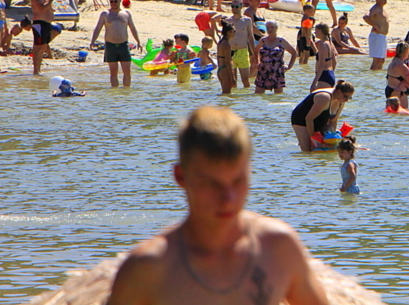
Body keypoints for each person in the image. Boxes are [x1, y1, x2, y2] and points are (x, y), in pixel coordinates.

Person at [107, 106, 329, 305]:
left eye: (238, 181)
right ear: (180, 176)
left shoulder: (278, 248)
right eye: (212, 184)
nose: (228, 199)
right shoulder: (149, 267)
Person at [90, 0, 142, 87]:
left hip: (123, 45)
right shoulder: (105, 14)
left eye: (115, 1)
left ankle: (126, 92)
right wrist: (93, 41)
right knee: (113, 72)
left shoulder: (126, 13)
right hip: (110, 46)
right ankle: (114, 92)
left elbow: (132, 28)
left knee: (127, 71)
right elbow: (98, 28)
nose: (113, 3)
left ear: (120, 1)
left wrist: (138, 41)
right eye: (111, 1)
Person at [290, 80, 355, 152]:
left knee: (327, 148)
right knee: (308, 150)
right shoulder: (325, 98)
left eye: (349, 98)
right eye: (346, 97)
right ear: (339, 91)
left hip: (319, 118)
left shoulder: (341, 101)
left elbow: (333, 120)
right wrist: (313, 139)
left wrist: (332, 138)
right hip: (301, 118)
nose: (346, 100)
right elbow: (309, 119)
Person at [254, 21, 295, 95]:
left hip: (277, 71)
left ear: (276, 28)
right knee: (258, 94)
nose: (270, 29)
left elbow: (294, 53)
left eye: (272, 27)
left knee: (278, 96)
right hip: (263, 70)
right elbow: (256, 50)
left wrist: (289, 66)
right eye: (268, 27)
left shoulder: (281, 41)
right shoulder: (263, 40)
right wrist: (257, 62)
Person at [227, 1, 256, 89]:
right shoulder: (228, 21)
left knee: (245, 80)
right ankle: (234, 96)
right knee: (232, 81)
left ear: (241, 7)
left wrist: (254, 54)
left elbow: (250, 37)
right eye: (232, 6)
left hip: (243, 51)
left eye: (236, 6)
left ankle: (246, 96)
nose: (234, 8)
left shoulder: (247, 20)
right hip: (230, 52)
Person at [363, 0, 389, 71]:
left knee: (381, 60)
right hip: (377, 36)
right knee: (377, 60)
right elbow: (366, 17)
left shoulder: (381, 9)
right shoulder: (375, 8)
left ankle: (377, 76)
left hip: (382, 36)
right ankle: (372, 75)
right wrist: (374, 25)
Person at [384, 42, 409, 110]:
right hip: (399, 93)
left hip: (390, 89)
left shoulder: (394, 61)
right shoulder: (401, 65)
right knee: (403, 113)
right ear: (406, 51)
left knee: (391, 113)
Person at [311, 23, 337, 90]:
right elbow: (334, 62)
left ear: (320, 30)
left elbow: (322, 65)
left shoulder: (322, 44)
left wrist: (314, 82)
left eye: (316, 31)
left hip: (323, 76)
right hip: (330, 74)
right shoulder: (330, 43)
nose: (315, 33)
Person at [216, 23, 236, 94]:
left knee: (224, 93)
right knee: (227, 93)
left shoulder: (220, 42)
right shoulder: (226, 44)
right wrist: (232, 77)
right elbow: (228, 62)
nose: (235, 33)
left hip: (220, 69)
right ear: (229, 32)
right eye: (234, 31)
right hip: (225, 70)